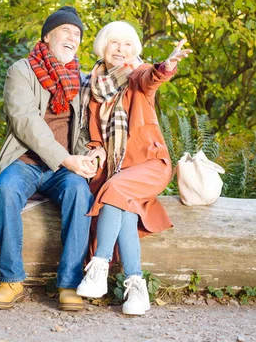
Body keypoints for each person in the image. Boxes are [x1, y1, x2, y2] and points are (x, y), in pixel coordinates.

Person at [76, 21, 192, 315]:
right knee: (124, 209)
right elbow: (93, 137)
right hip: (118, 171)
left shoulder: (136, 76)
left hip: (150, 165)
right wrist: (97, 151)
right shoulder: (93, 86)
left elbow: (151, 78)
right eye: (115, 43)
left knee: (114, 188)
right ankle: (136, 287)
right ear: (103, 47)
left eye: (127, 44)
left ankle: (99, 266)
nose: (121, 50)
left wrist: (166, 66)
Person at [0, 6, 97, 311]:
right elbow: (24, 121)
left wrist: (89, 154)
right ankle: (11, 280)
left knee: (79, 191)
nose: (73, 38)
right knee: (6, 190)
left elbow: (85, 129)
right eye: (66, 31)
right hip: (26, 162)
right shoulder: (21, 70)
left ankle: (69, 284)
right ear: (47, 35)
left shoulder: (80, 79)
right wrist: (66, 159)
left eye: (77, 34)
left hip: (64, 169)